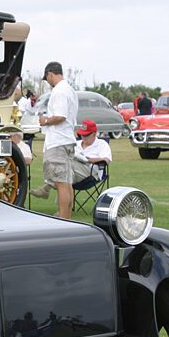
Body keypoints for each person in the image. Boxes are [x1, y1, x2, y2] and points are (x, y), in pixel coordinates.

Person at [35, 61, 78, 219]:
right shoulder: (69, 90)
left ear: (50, 74)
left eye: (47, 79)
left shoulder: (59, 91)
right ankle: (67, 217)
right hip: (66, 139)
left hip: (58, 141)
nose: (48, 82)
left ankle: (63, 218)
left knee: (61, 184)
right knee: (66, 182)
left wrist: (44, 121)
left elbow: (60, 116)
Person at [31, 119, 110, 198]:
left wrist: (88, 159)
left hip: (91, 173)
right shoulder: (76, 143)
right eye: (82, 135)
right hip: (73, 171)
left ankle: (46, 188)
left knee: (64, 168)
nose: (83, 137)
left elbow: (106, 160)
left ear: (94, 134)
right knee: (64, 171)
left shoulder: (102, 144)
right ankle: (60, 206)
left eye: (86, 135)